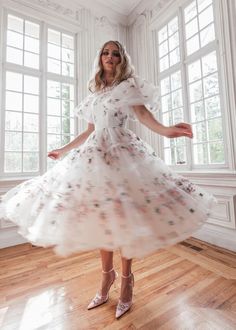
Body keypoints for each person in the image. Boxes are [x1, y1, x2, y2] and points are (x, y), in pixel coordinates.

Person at [0, 40, 216, 319]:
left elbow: (144, 116)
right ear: (100, 57)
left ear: (122, 59)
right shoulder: (94, 94)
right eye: (105, 52)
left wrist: (167, 131)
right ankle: (106, 278)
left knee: (124, 220)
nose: (110, 57)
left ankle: (127, 281)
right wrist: (64, 150)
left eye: (115, 53)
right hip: (96, 155)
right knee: (104, 220)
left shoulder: (129, 87)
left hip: (124, 154)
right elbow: (90, 131)